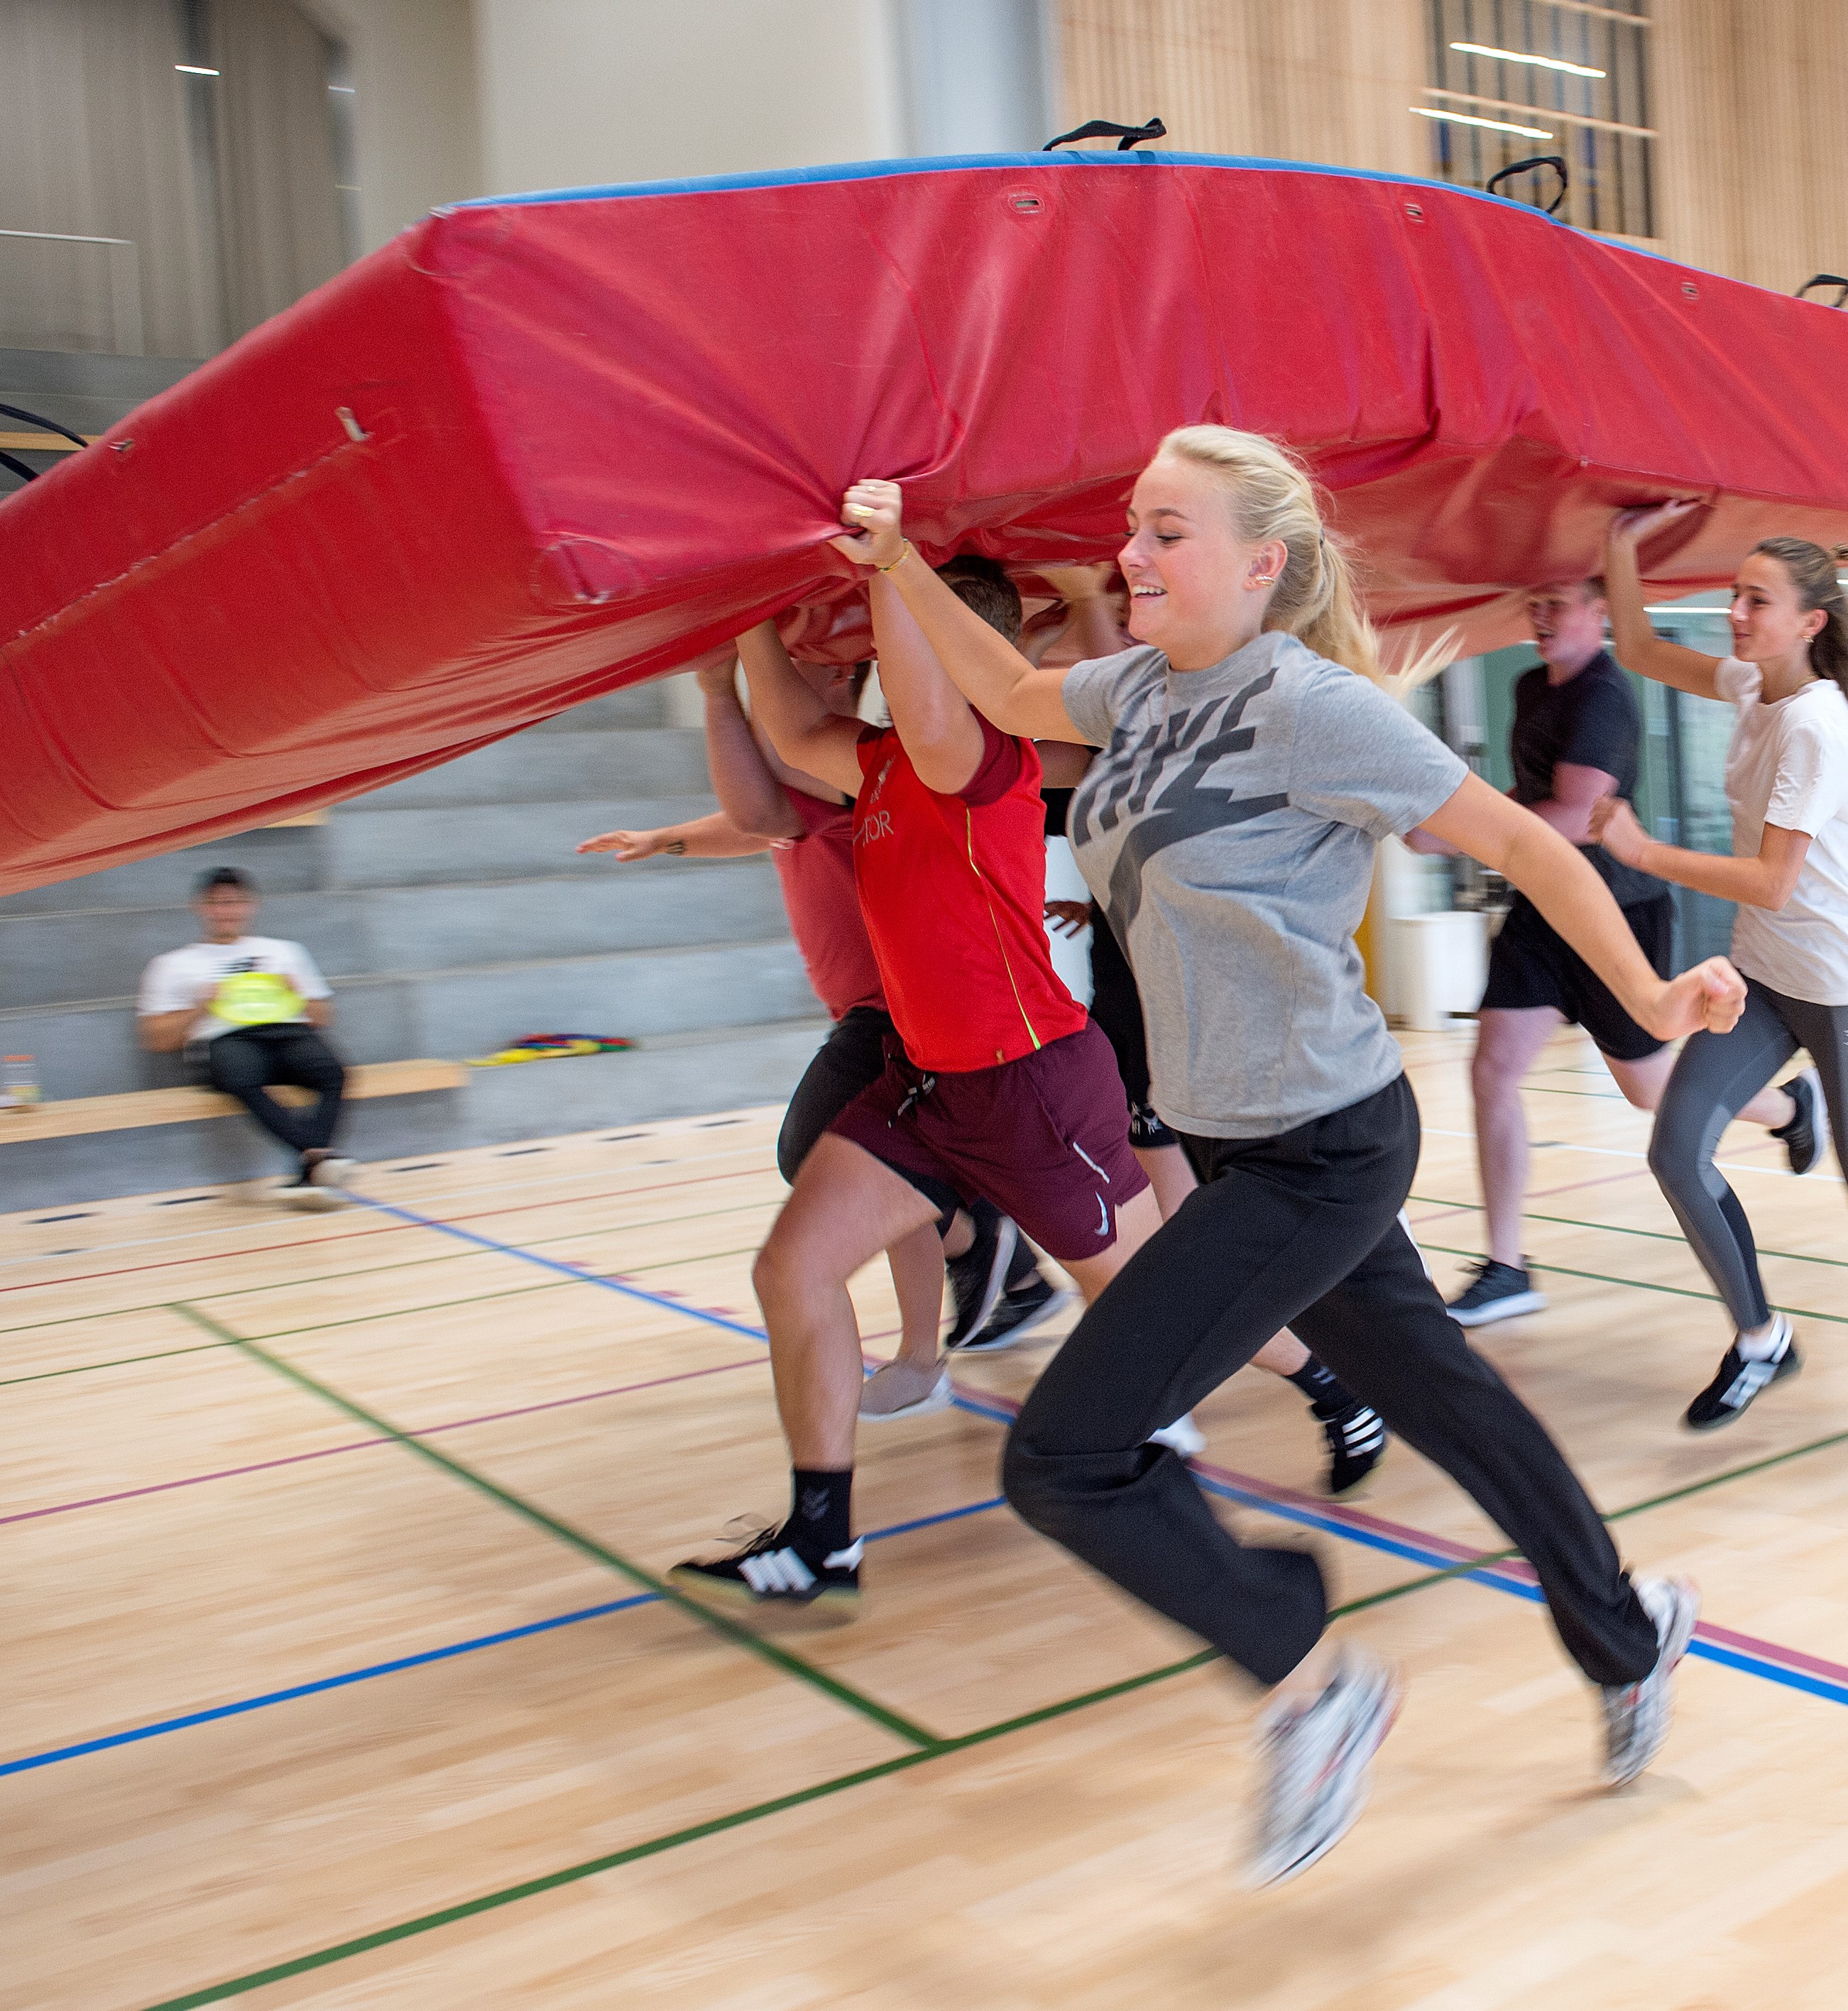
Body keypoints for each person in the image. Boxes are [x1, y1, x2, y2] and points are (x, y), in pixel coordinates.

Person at [833, 424, 1741, 1884]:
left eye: (1166, 530)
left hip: (1319, 1145)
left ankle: (1310, 1682)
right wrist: (895, 564)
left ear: (1261, 564)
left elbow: (1527, 845)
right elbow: (1002, 686)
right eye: (1133, 524)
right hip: (1243, 1135)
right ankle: (1631, 1637)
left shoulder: (1314, 708)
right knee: (1451, 1404)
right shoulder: (1139, 688)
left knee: (1067, 1454)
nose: (1131, 553)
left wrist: (1647, 994)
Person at [662, 556, 1166, 1613]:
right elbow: (793, 733)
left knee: (1154, 1300)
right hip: (928, 1084)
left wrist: (889, 556)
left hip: (1031, 1083)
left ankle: (1324, 1381)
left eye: (910, 645)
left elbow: (930, 707)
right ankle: (820, 1539)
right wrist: (747, 620)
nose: (886, 664)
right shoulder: (881, 763)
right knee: (793, 1267)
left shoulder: (979, 758)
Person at [576, 625, 1068, 1420]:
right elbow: (753, 819)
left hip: (891, 1013)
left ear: (839, 680)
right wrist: (665, 837)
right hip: (876, 1012)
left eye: (787, 668)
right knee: (877, 1170)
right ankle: (983, 1269)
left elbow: (755, 807)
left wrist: (716, 692)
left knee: (829, 1155)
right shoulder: (815, 786)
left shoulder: (852, 767)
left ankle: (972, 1256)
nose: (769, 687)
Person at [1592, 502, 1848, 1431]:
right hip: (1767, 978)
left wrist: (1644, 852)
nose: (1737, 613)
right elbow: (1641, 647)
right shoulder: (1752, 684)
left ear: (1810, 622)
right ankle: (1760, 1338)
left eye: (1758, 600)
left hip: (1843, 988)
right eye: (1736, 595)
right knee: (1675, 1151)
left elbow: (1774, 882)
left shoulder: (1815, 725)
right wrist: (1620, 542)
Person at [1032, 567, 1393, 1499]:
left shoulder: (1197, 720)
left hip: (1199, 1039)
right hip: (1140, 1022)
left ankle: (1331, 1379)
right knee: (1188, 1239)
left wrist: (1081, 602)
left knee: (1192, 1246)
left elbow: (1108, 736)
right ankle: (1325, 1364)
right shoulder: (1116, 729)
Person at [1409, 576, 1813, 1328]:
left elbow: (1574, 815)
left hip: (1615, 912)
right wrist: (1460, 819)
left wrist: (1459, 833)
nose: (1540, 614)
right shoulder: (1531, 686)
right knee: (1492, 1070)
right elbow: (1529, 796)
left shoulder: (1605, 696)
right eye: (1534, 601)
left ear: (1598, 611)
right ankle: (1506, 1267)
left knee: (1648, 1088)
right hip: (1541, 906)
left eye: (1556, 602)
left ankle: (1789, 1106)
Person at [137, 865, 356, 1208]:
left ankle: (309, 1170)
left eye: (235, 902)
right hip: (226, 1040)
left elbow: (322, 1018)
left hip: (288, 1033)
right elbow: (156, 1039)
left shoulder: (286, 952)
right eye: (218, 903)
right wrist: (200, 1007)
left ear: (252, 905)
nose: (228, 911)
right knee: (241, 1072)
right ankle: (318, 1157)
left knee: (333, 1073)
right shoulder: (172, 964)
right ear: (200, 907)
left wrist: (299, 996)